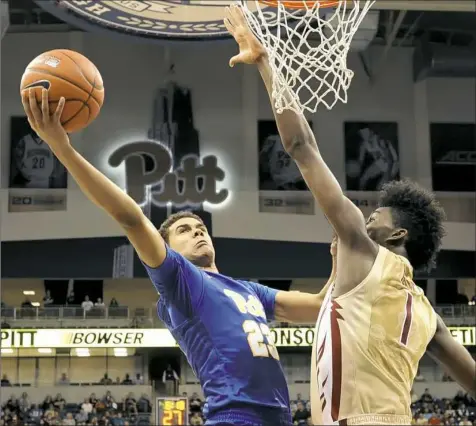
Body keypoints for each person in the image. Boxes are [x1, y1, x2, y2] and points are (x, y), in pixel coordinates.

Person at [224, 4, 476, 425]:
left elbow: (302, 148)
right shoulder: (430, 317)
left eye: (376, 214)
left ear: (397, 235)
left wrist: (267, 61)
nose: (365, 217)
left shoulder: (364, 249)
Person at [22, 88, 333, 426]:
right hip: (235, 416)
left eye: (200, 227)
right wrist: (62, 148)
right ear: (166, 247)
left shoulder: (249, 290)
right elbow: (130, 217)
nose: (197, 231)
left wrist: (341, 251)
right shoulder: (182, 280)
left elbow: (321, 306)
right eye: (184, 230)